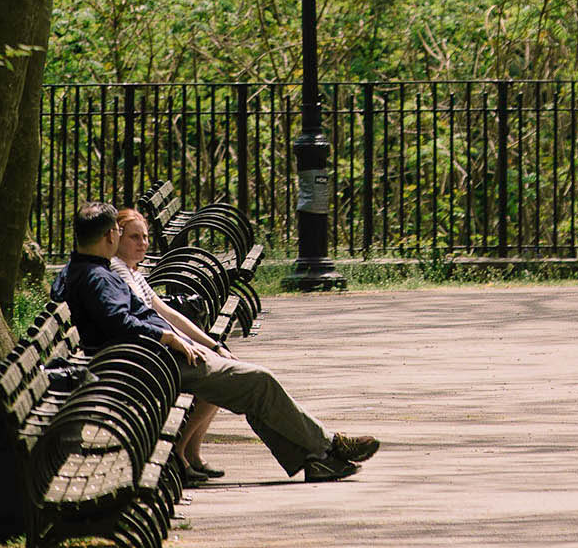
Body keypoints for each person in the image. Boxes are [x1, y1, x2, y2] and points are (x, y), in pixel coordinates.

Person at [58, 201, 380, 483]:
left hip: (149, 360)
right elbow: (118, 322)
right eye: (120, 232)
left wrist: (196, 342)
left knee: (251, 387)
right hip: (148, 366)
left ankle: (318, 458)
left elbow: (130, 315)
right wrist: (168, 337)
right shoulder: (98, 276)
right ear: (109, 236)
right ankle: (328, 446)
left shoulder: (83, 270)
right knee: (258, 382)